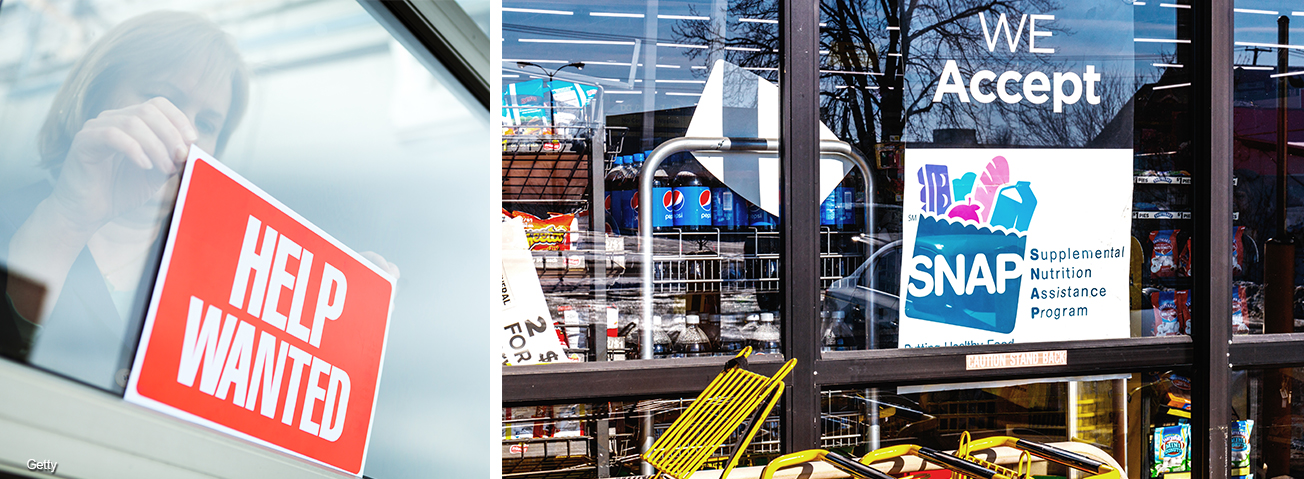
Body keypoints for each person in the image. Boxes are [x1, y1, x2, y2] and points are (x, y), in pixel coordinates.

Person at [0, 11, 250, 391]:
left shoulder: (222, 277)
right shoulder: (11, 219)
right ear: (95, 97)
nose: (188, 134)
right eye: (163, 99)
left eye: (209, 124)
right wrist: (68, 219)